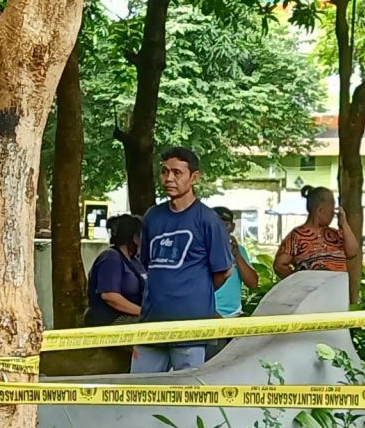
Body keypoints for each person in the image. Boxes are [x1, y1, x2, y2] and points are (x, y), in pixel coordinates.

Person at [134, 147, 229, 373]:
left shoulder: (208, 220)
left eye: (177, 173)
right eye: (165, 172)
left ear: (194, 177)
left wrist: (194, 293)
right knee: (138, 395)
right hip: (151, 324)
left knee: (188, 396)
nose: (169, 178)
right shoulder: (152, 216)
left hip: (190, 330)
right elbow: (149, 263)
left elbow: (223, 271)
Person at [270, 186, 348, 277]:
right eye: (332, 211)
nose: (334, 215)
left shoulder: (335, 235)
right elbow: (279, 265)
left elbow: (353, 251)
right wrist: (299, 282)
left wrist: (344, 224)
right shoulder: (297, 236)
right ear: (320, 211)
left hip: (337, 289)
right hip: (312, 290)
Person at [86, 214, 146, 327]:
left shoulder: (135, 261)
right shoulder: (110, 258)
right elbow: (110, 296)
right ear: (133, 236)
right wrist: (143, 312)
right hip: (112, 320)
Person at [211, 207, 262, 317]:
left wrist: (237, 255)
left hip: (233, 315)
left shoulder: (239, 250)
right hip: (207, 315)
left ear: (232, 227)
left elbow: (253, 283)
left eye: (224, 224)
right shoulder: (199, 250)